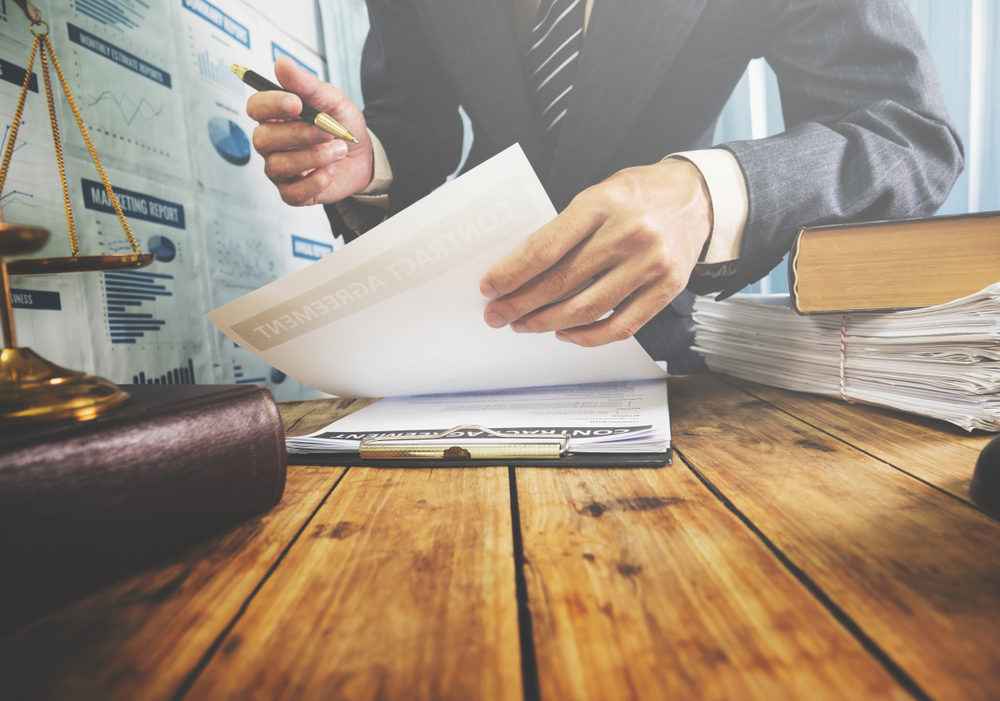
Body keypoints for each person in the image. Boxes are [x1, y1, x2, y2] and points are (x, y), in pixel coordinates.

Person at [247, 0, 962, 372]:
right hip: (458, 323)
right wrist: (368, 160)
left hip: (658, 338)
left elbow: (904, 134)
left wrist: (705, 195)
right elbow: (414, 122)